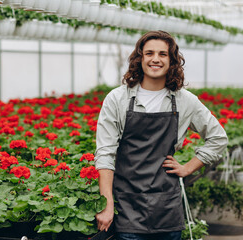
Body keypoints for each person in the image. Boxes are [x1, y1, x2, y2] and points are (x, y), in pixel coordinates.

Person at [94, 31, 228, 240]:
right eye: (149, 53)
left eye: (162, 54)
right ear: (140, 59)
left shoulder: (184, 100)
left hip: (167, 207)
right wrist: (107, 203)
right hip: (127, 205)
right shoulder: (118, 99)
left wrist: (188, 168)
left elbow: (218, 138)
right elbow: (105, 154)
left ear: (172, 60)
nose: (155, 59)